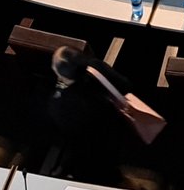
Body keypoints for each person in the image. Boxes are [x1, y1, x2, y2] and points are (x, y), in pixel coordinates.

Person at [45, 44, 138, 179]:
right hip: (116, 128)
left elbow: (65, 132)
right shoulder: (96, 67)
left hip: (89, 145)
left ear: (62, 74)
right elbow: (125, 84)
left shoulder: (61, 103)